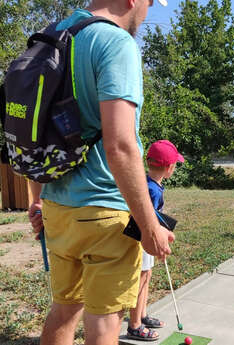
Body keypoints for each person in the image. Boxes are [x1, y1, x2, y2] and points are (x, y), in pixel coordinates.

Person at [27, 1, 175, 344]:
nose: (147, 11)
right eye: (150, 3)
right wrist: (150, 224)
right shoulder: (114, 42)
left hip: (57, 210)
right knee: (105, 321)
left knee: (64, 309)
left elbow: (30, 132)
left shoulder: (53, 37)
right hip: (105, 214)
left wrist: (37, 201)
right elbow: (120, 145)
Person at [127, 139, 184, 341]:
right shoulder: (151, 190)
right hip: (143, 238)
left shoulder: (149, 184)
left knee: (147, 274)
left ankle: (141, 314)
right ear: (169, 168)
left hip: (147, 236)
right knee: (141, 277)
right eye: (175, 165)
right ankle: (134, 325)